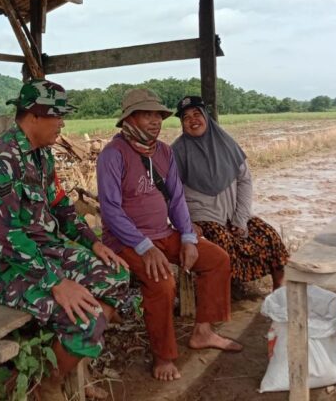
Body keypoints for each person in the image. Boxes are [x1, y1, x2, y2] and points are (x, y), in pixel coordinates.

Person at [0, 79, 130, 400]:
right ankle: (46, 383)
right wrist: (57, 282)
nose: (63, 123)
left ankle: (73, 362)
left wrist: (93, 243)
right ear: (33, 115)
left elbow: (61, 206)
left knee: (117, 274)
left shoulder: (42, 155)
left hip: (47, 253)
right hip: (6, 269)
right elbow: (7, 238)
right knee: (88, 319)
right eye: (57, 115)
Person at [96, 88, 242, 382]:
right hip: (126, 242)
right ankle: (163, 356)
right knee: (162, 282)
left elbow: (176, 199)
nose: (155, 121)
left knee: (216, 259)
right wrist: (144, 246)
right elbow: (110, 210)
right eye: (146, 115)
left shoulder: (163, 152)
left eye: (158, 115)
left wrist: (188, 237)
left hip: (164, 233)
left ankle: (203, 331)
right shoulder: (113, 155)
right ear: (130, 118)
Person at [171, 95, 289, 291]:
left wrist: (241, 218)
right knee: (222, 244)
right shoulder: (176, 152)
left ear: (206, 116)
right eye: (185, 117)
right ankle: (222, 305)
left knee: (269, 235)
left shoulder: (226, 143)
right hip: (204, 219)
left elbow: (245, 180)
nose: (192, 120)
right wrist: (186, 225)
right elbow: (171, 195)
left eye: (196, 114)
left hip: (234, 215)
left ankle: (279, 297)